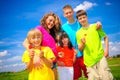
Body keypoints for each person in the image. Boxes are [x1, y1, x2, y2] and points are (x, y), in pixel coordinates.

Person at [62, 4, 102, 80]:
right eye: (66, 13)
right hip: (72, 55)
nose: (69, 14)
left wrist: (98, 24)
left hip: (84, 53)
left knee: (89, 74)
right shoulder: (63, 27)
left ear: (73, 12)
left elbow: (89, 27)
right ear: (64, 15)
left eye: (70, 12)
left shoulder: (80, 23)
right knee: (74, 76)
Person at [76, 10, 113, 80]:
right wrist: (83, 43)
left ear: (87, 17)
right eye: (80, 18)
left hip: (100, 57)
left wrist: (107, 50)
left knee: (106, 77)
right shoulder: (78, 33)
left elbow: (105, 37)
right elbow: (80, 49)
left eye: (84, 17)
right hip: (89, 61)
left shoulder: (96, 26)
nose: (82, 19)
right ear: (78, 20)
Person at [23, 13, 61, 80]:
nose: (52, 23)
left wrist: (57, 54)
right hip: (43, 61)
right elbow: (25, 43)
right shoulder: (39, 29)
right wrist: (35, 56)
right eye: (50, 20)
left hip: (52, 61)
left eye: (53, 22)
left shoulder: (52, 33)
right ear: (45, 19)